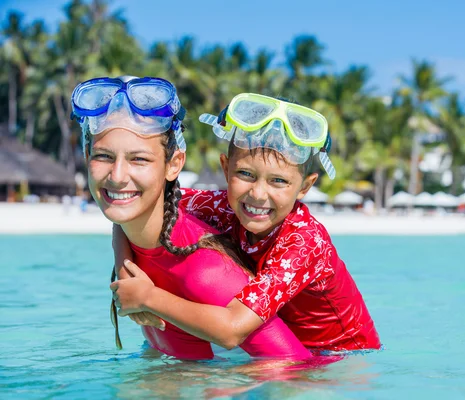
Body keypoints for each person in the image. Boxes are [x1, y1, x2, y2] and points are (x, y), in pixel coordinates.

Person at [112, 93, 381, 352]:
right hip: (282, 344)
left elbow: (232, 330)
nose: (258, 194)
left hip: (341, 357)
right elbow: (139, 203)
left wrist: (147, 298)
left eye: (279, 181)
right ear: (226, 169)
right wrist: (125, 271)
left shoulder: (305, 242)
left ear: (304, 187)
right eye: (245, 174)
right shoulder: (221, 207)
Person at [72, 77, 310, 360]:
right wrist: (123, 265)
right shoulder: (139, 234)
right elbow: (121, 217)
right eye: (103, 156)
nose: (118, 176)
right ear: (87, 156)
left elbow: (293, 366)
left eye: (139, 160)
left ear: (174, 165)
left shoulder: (206, 272)